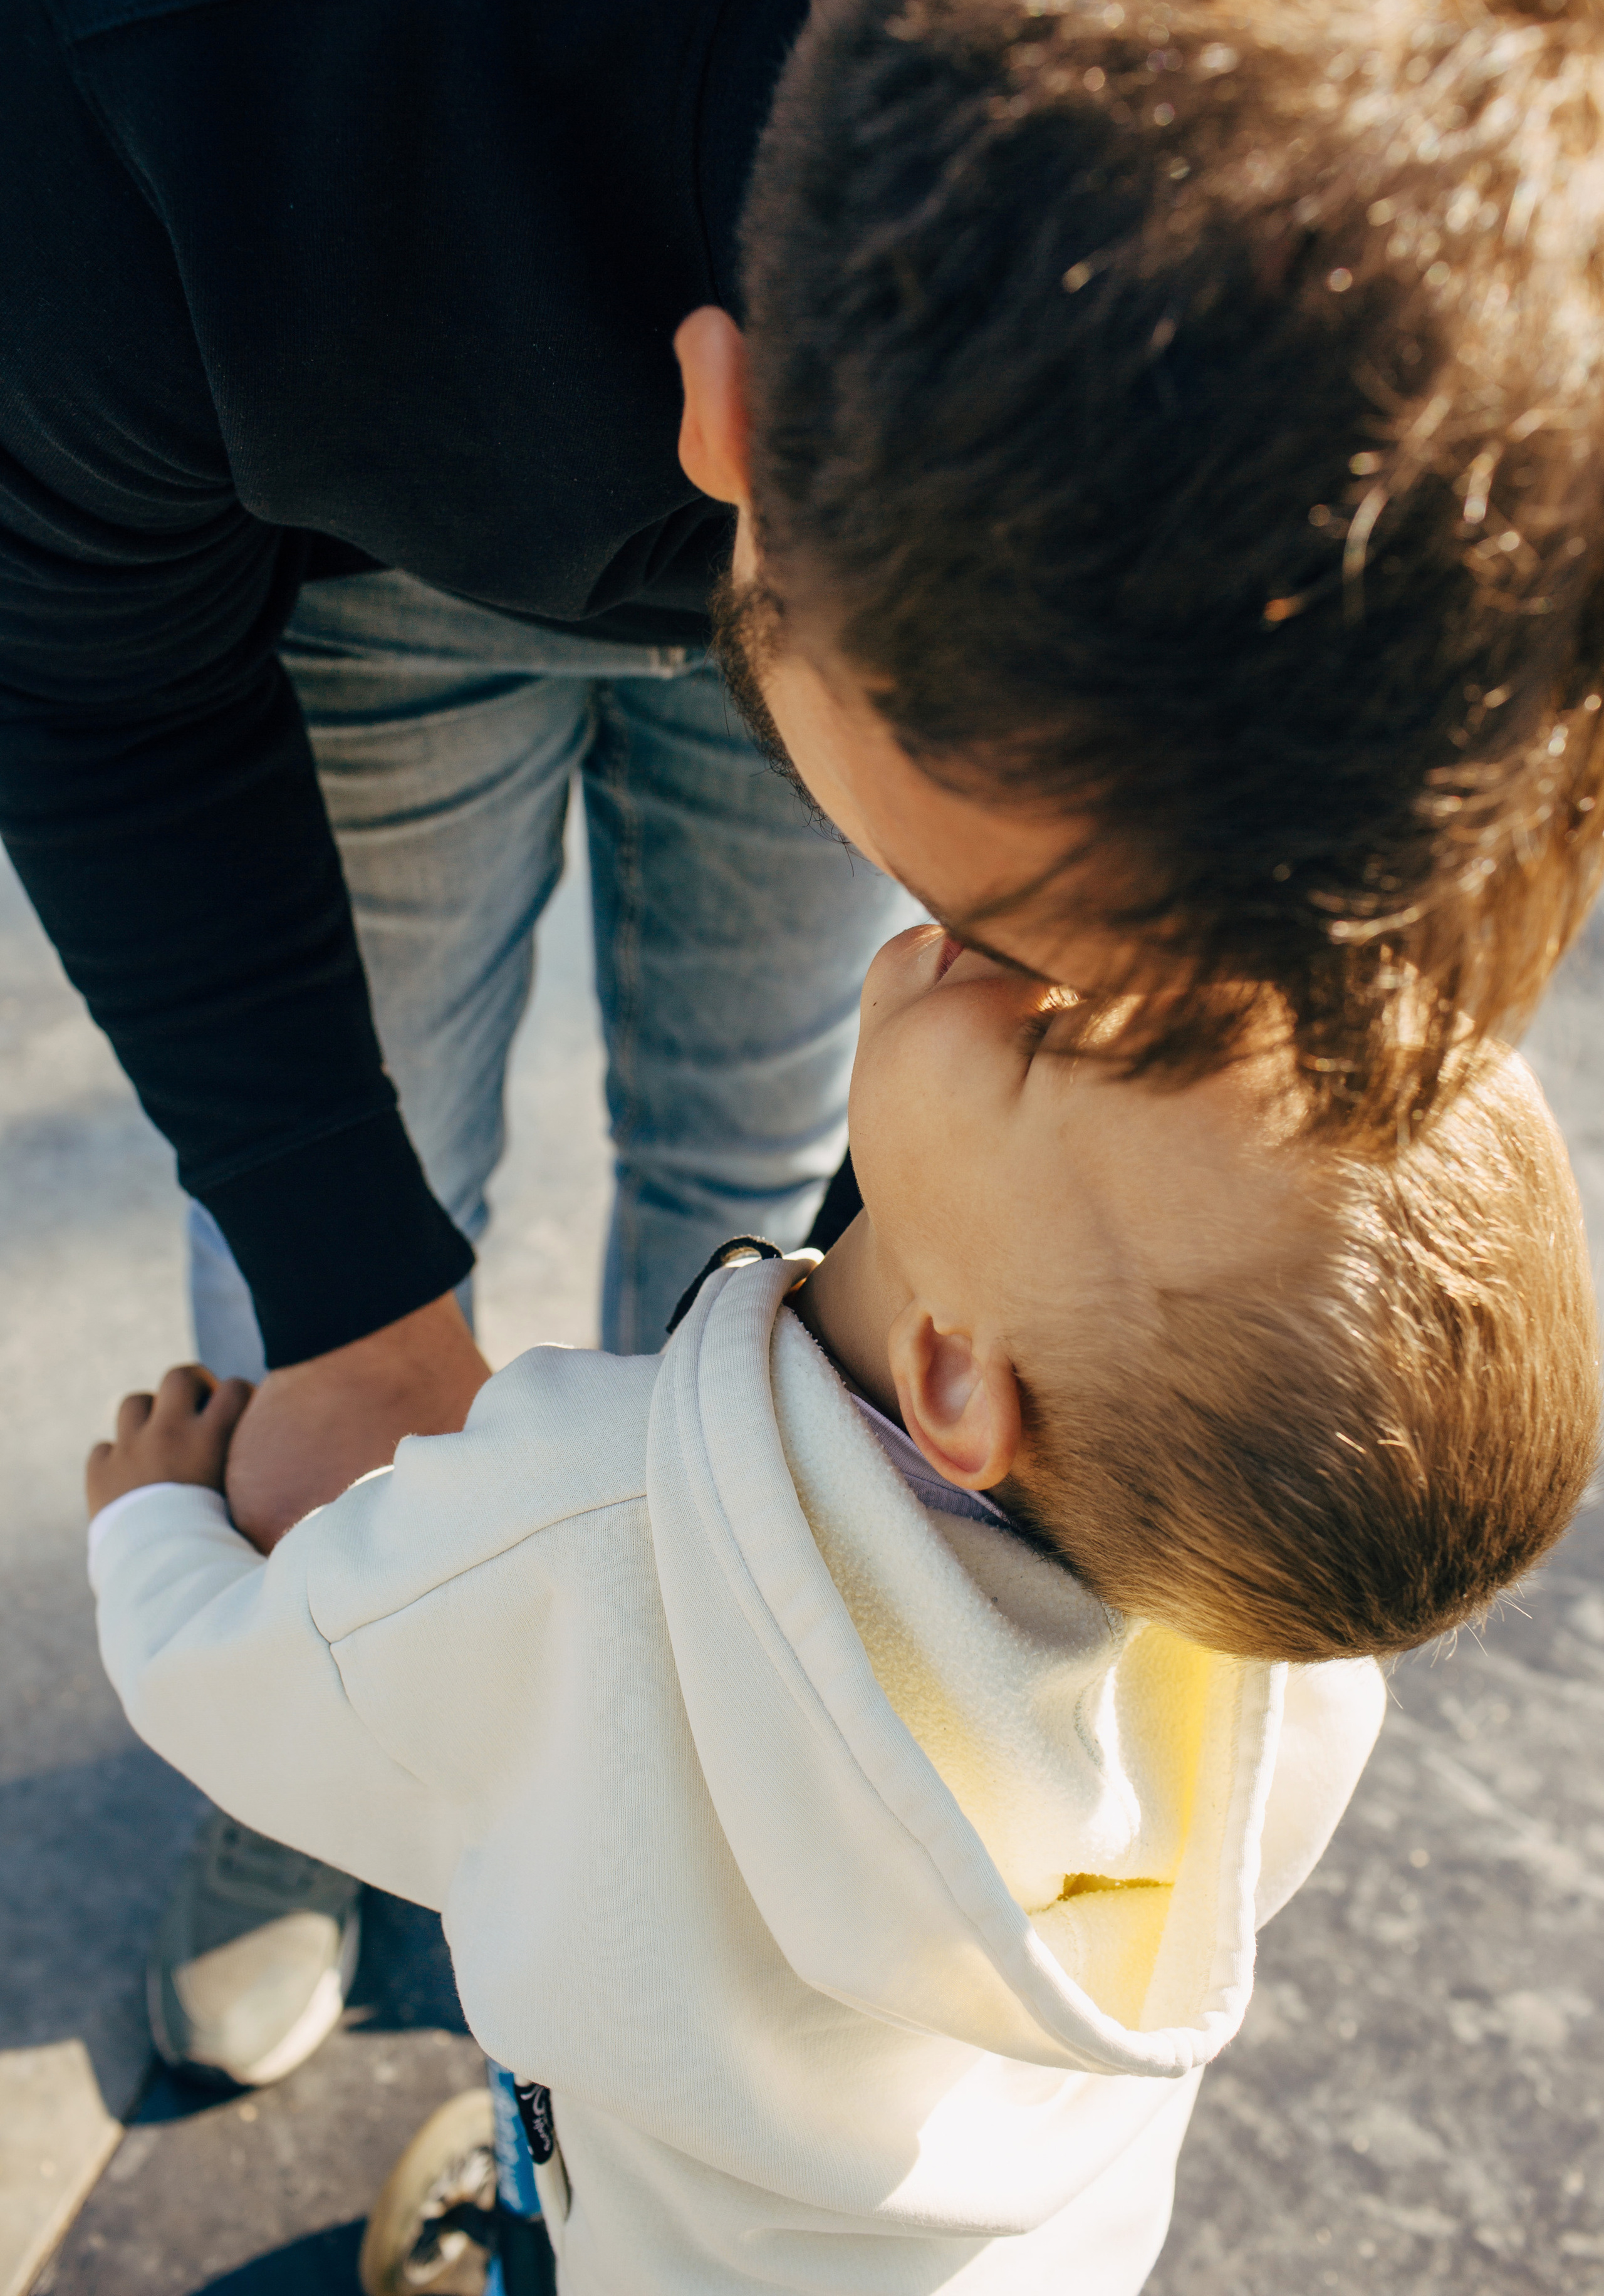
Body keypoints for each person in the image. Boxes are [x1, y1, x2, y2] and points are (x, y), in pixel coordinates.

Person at [9, 0, 1604, 2082]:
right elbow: (85, 684)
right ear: (730, 429)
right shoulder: (151, 56)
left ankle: (703, 1715)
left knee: (763, 1107)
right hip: (318, 526)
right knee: (347, 1181)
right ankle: (323, 1773)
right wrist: (349, 1322)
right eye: (1017, 935)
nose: (1036, 994)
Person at [83, 919, 1597, 2293]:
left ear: (952, 1375)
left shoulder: (583, 1519)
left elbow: (259, 1690)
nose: (1061, 930)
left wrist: (155, 1527)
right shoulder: (1274, 1659)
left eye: (1062, 1036)